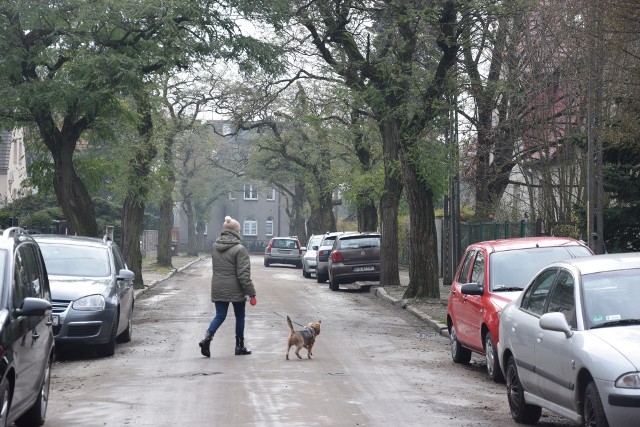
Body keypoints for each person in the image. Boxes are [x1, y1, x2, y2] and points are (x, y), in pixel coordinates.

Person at [199, 216, 257, 358]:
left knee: (220, 315)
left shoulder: (215, 247)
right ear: (236, 231)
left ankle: (207, 338)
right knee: (240, 316)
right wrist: (251, 293)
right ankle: (239, 346)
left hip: (218, 285)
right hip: (236, 288)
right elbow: (243, 275)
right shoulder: (240, 249)